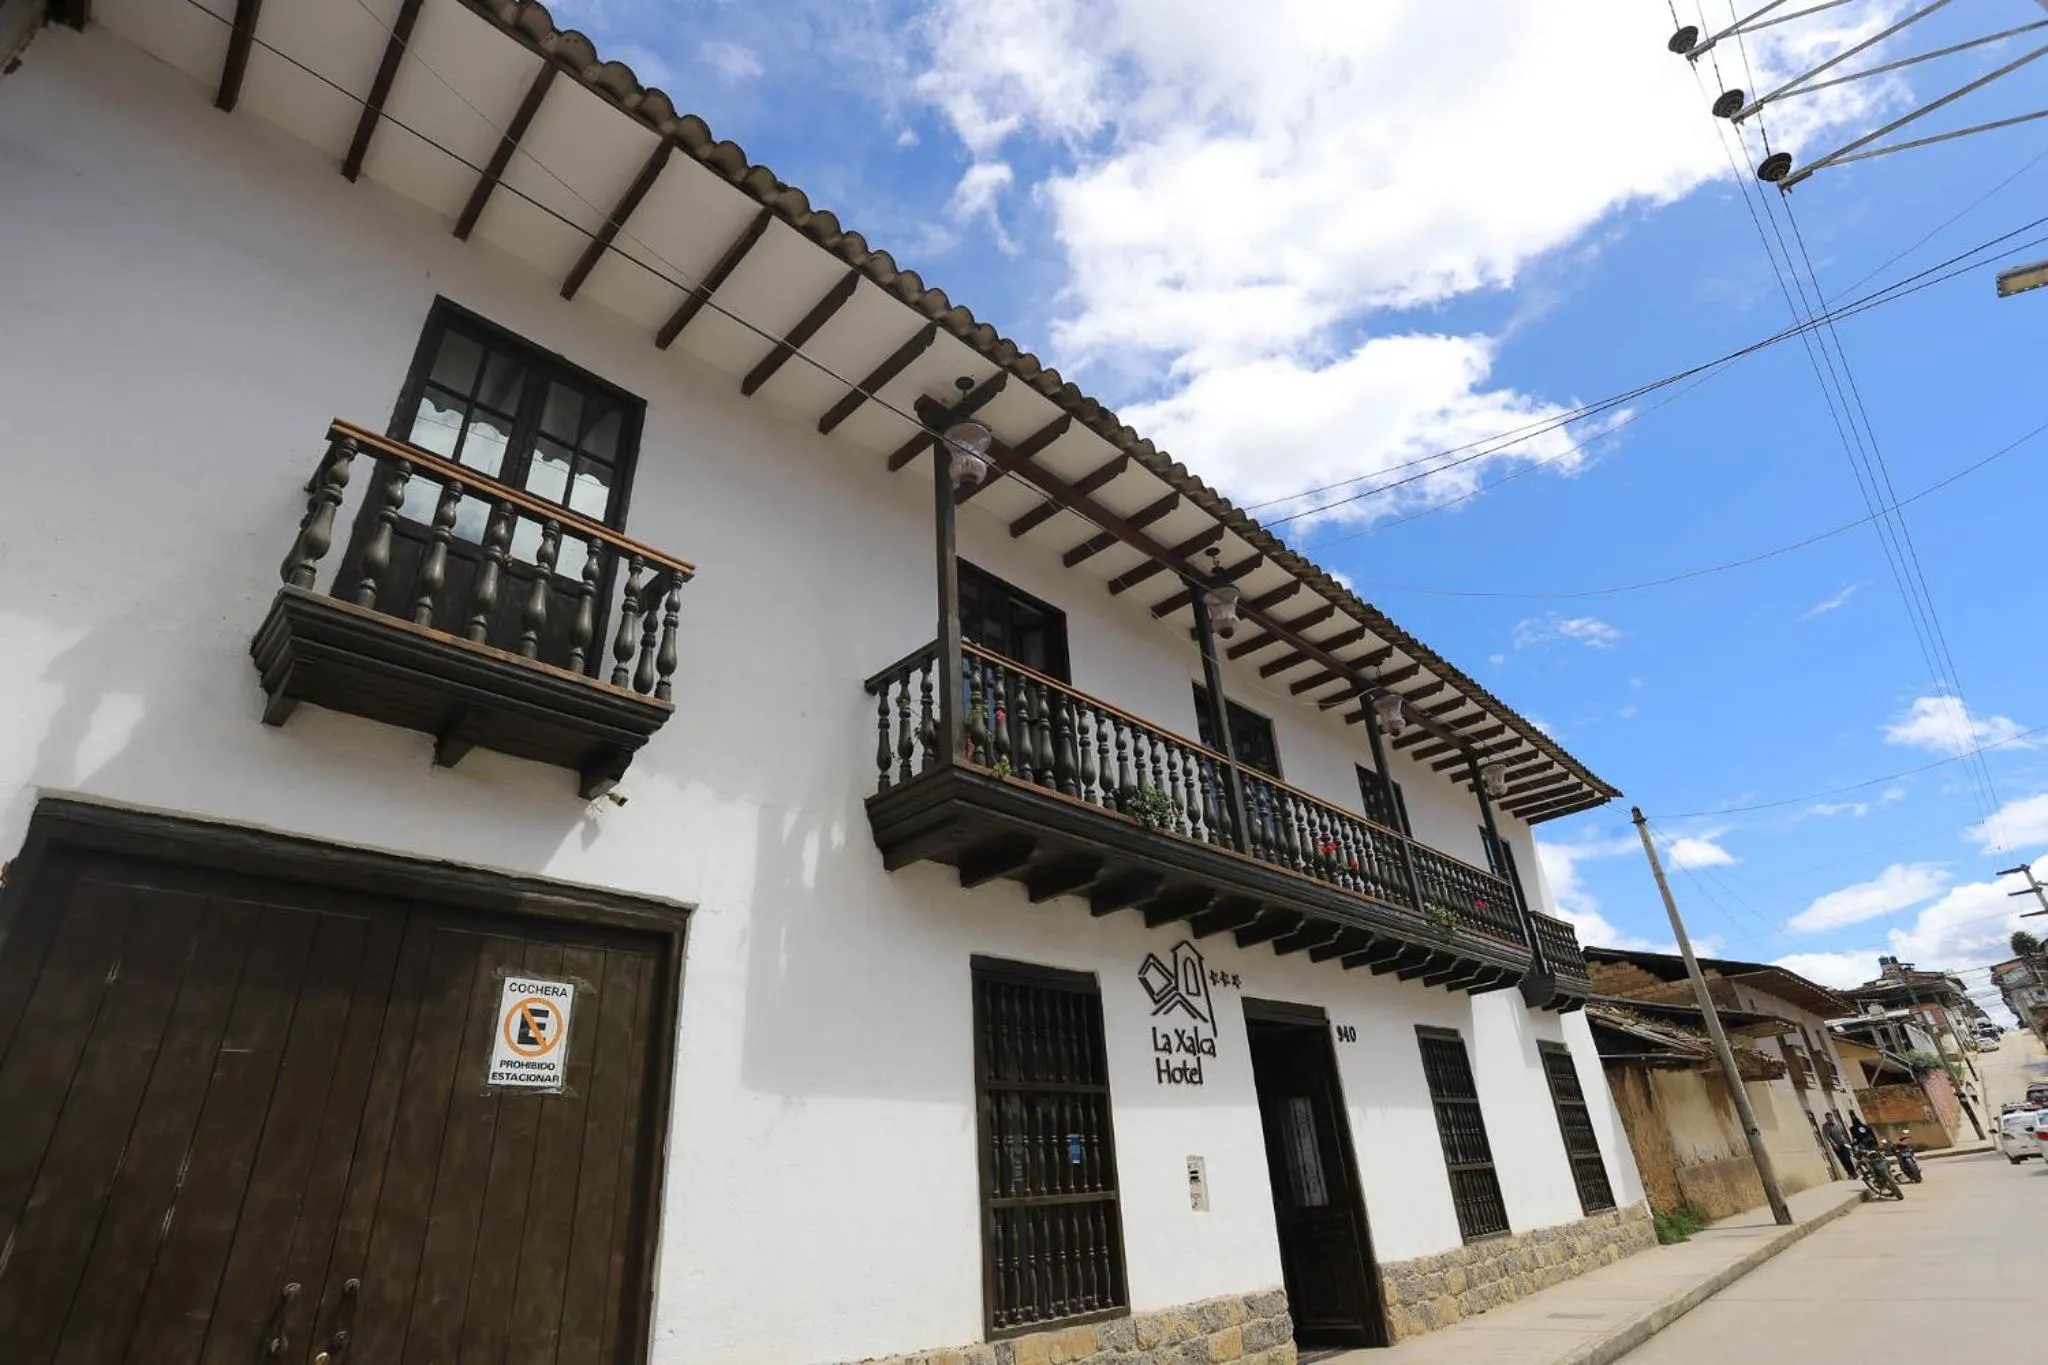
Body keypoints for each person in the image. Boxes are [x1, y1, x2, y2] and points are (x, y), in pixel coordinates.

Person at [1821, 1112, 1855, 1179]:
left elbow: (1843, 1133)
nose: (1829, 1118)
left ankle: (1853, 1172)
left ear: (1832, 1117)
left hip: (1844, 1144)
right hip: (1836, 1146)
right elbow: (1828, 1137)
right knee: (1843, 1160)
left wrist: (1848, 1142)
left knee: (1848, 1158)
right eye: (1827, 1118)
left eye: (1830, 1117)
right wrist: (1834, 1144)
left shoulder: (1838, 1124)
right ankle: (1850, 1173)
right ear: (1826, 1119)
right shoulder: (1826, 1126)